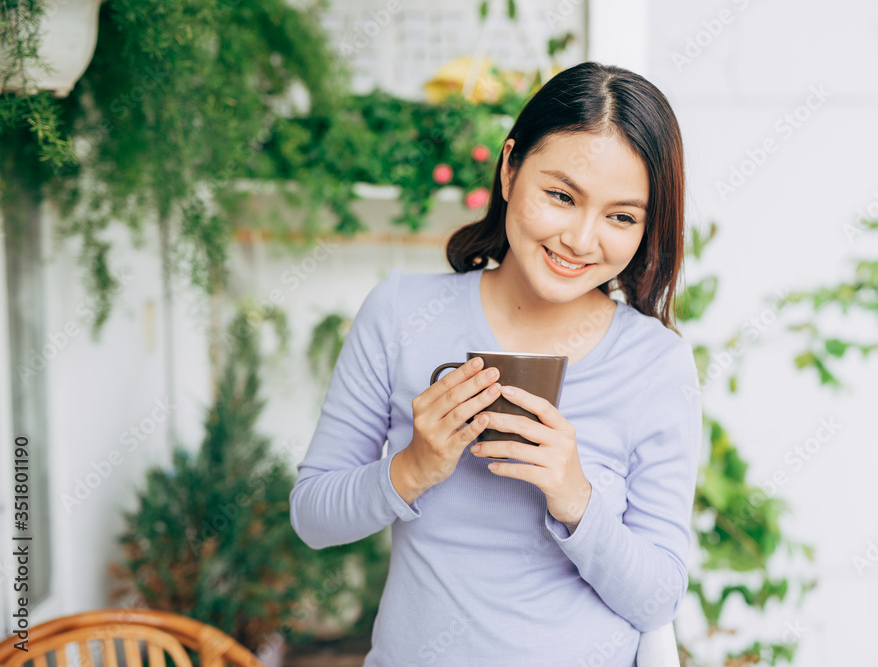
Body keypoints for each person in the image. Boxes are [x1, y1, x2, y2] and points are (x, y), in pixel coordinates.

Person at [290, 61, 703, 667]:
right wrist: (412, 468)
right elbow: (312, 517)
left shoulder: (656, 366)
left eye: (621, 216)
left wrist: (574, 497)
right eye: (561, 196)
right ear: (510, 169)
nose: (582, 239)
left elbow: (658, 597)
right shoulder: (403, 314)